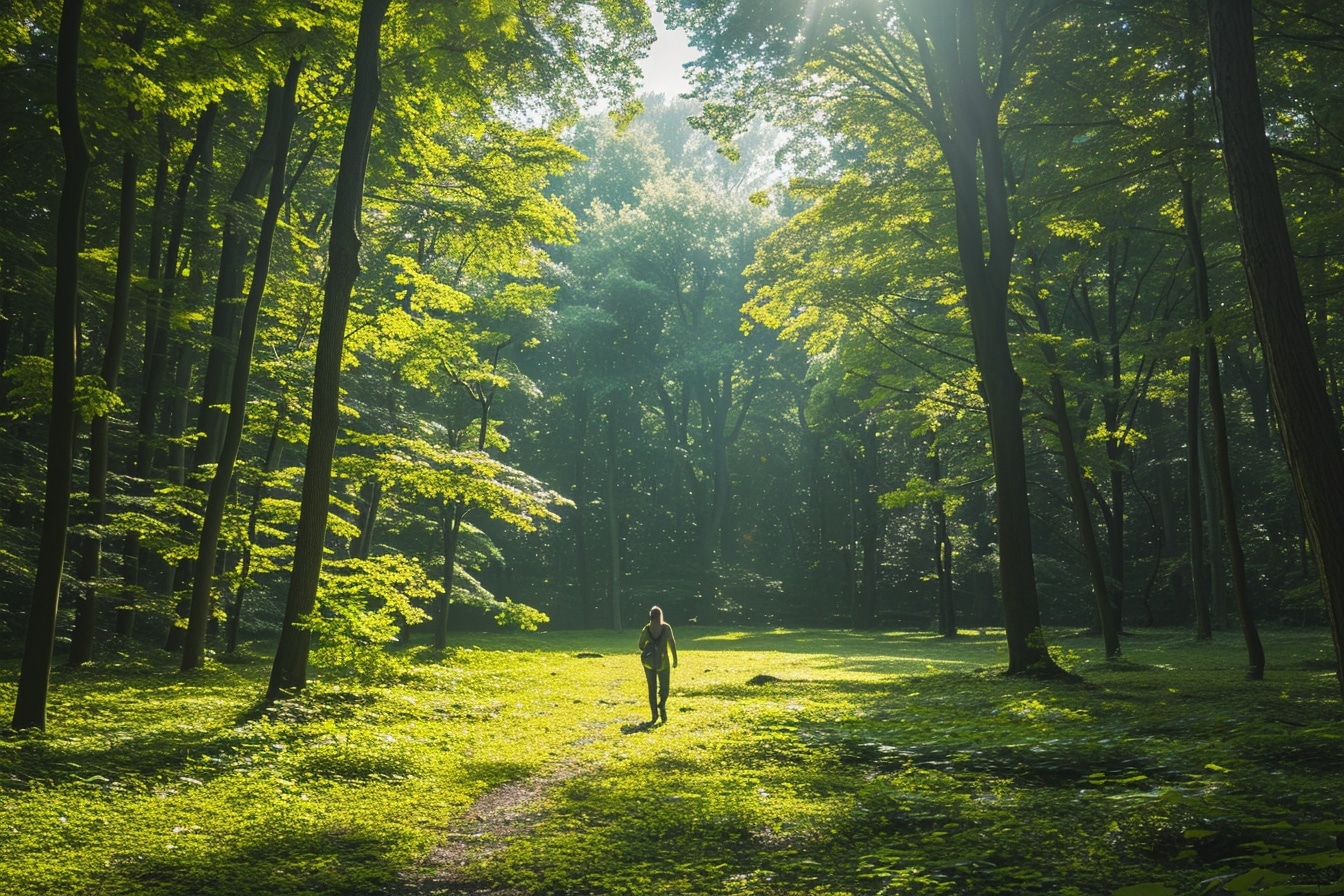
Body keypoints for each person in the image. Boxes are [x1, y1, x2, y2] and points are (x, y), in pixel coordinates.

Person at [638, 605, 678, 725]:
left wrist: (649, 647)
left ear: (650, 616)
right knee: (664, 688)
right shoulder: (666, 628)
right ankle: (662, 705)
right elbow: (672, 643)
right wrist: (675, 659)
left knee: (652, 689)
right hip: (663, 662)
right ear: (660, 616)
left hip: (648, 663)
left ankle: (654, 715)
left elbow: (640, 645)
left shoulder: (646, 629)